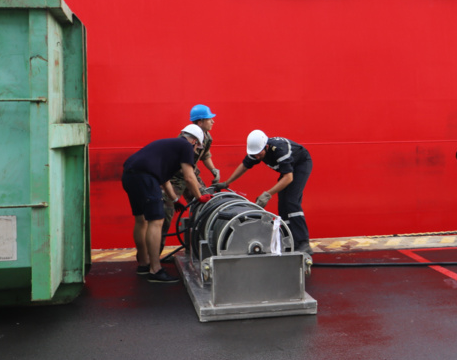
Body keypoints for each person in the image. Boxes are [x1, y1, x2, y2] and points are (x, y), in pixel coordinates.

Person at [121, 124, 211, 282]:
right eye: (197, 148)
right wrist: (199, 197)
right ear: (194, 142)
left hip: (129, 175)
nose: (195, 152)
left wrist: (176, 200)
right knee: (156, 220)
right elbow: (189, 177)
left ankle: (144, 263)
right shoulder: (186, 146)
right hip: (145, 177)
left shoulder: (169, 147)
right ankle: (155, 270)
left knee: (141, 220)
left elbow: (164, 179)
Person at [217, 130, 314, 254]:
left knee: (291, 201)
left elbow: (288, 177)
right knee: (283, 205)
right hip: (288, 170)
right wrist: (227, 182)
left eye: (259, 154)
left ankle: (303, 242)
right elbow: (244, 166)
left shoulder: (279, 151)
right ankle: (290, 239)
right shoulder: (257, 150)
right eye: (255, 155)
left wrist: (267, 194)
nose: (257, 157)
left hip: (300, 165)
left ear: (266, 147)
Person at [163, 104, 221, 258]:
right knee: (164, 217)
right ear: (200, 122)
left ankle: (197, 244)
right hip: (174, 179)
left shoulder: (207, 137)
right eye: (210, 119)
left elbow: (206, 155)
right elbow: (184, 172)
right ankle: (153, 260)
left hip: (191, 175)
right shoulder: (185, 138)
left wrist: (213, 170)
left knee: (204, 205)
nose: (213, 122)